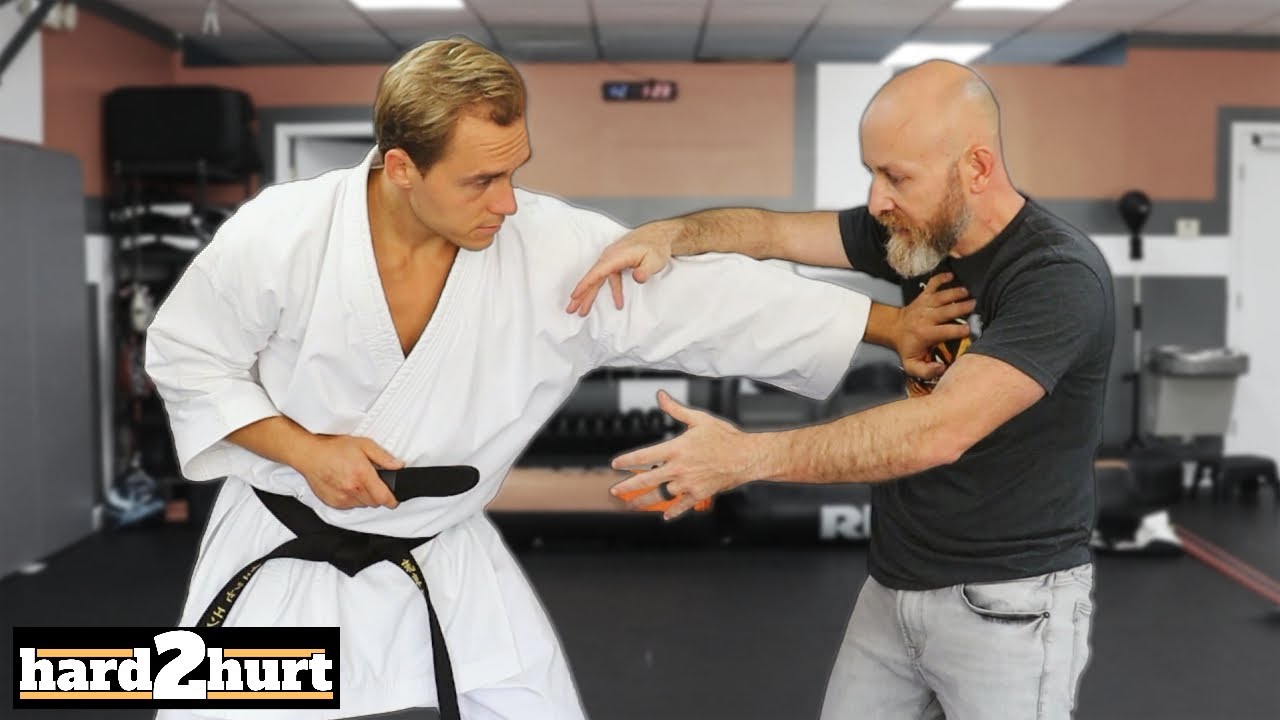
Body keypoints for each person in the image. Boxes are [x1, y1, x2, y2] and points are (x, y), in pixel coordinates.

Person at [144, 38, 972, 720]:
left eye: (516, 171)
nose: (508, 203)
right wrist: (304, 450)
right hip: (279, 543)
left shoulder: (547, 250)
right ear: (400, 168)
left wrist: (887, 326)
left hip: (440, 547)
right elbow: (187, 357)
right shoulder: (281, 234)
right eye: (480, 180)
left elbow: (707, 305)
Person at [568, 59, 1115, 720]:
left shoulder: (1056, 276)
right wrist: (671, 234)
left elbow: (938, 431)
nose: (877, 200)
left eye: (896, 177)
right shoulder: (920, 234)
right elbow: (772, 233)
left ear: (976, 167)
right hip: (895, 582)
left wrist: (748, 457)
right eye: (872, 173)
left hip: (1008, 604)